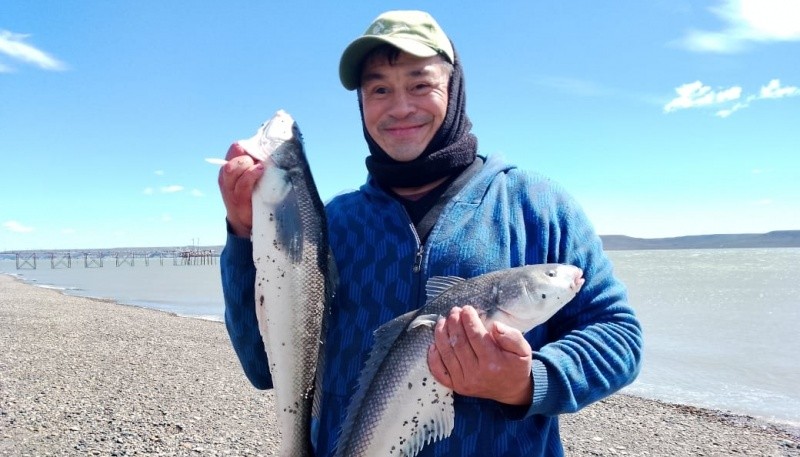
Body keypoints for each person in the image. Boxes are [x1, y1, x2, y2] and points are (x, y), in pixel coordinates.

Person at [218, 10, 642, 457]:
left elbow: (618, 335)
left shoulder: (536, 203)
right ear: (361, 104)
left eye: (420, 84)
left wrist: (528, 381)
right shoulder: (332, 222)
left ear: (453, 88)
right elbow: (263, 365)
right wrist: (244, 235)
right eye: (379, 89)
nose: (400, 107)